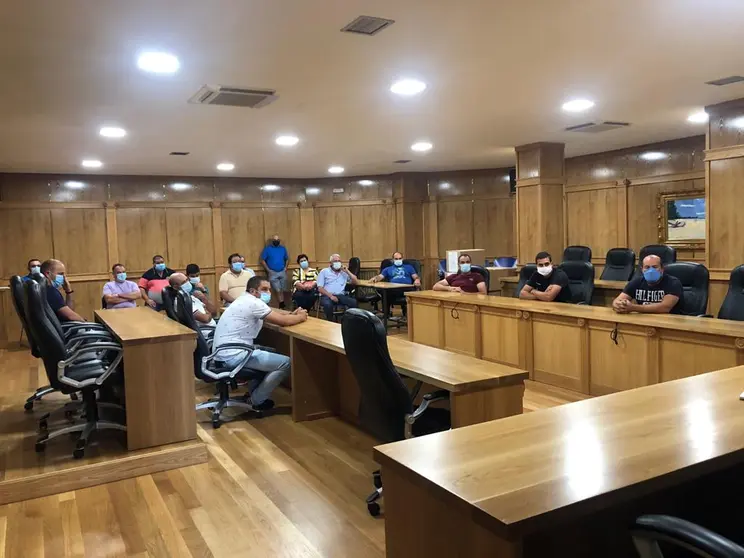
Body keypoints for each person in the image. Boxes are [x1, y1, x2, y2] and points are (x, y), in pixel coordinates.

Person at [212, 276, 308, 410]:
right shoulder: (254, 303)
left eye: (269, 289)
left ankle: (254, 393)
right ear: (253, 291)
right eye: (264, 289)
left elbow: (275, 317)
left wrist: (292, 315)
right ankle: (256, 400)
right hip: (234, 355)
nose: (268, 292)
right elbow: (283, 322)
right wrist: (301, 317)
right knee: (286, 363)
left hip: (224, 353)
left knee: (271, 351)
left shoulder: (243, 299)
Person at [612, 255, 684, 314]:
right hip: (644, 320)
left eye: (655, 267)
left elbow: (665, 307)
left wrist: (633, 308)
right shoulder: (637, 282)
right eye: (647, 267)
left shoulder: (673, 282)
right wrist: (618, 305)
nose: (651, 270)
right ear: (642, 270)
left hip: (668, 321)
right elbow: (617, 300)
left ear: (662, 269)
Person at [316, 254, 358, 320]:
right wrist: (331, 296)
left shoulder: (344, 273)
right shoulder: (324, 271)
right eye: (335, 261)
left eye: (339, 261)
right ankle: (330, 321)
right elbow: (320, 288)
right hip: (327, 295)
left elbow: (355, 282)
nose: (337, 263)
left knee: (353, 302)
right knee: (328, 305)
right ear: (330, 263)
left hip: (340, 295)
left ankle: (351, 321)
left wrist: (347, 271)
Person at [260, 234, 289, 309]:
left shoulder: (283, 249)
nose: (276, 241)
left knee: (284, 289)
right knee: (277, 289)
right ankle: (281, 304)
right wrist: (268, 270)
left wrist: (285, 267)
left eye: (278, 240)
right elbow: (262, 260)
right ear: (272, 241)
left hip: (282, 271)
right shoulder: (267, 249)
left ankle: (284, 304)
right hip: (272, 272)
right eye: (275, 240)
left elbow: (287, 259)